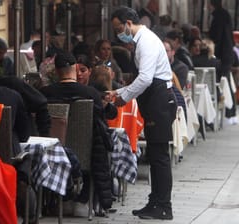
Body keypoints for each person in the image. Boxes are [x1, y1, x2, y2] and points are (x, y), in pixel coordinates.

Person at [109, 7, 177, 220]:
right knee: (156, 155)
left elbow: (146, 78)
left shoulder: (146, 41)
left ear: (128, 23)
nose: (118, 34)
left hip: (159, 99)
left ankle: (163, 206)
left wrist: (124, 96)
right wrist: (117, 92)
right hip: (155, 99)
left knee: (159, 156)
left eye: (119, 28)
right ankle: (155, 201)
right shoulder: (142, 40)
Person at [40, 51, 113, 216]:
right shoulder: (91, 94)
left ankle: (54, 199)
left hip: (54, 152)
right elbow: (102, 124)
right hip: (86, 152)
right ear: (74, 68)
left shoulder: (45, 93)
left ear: (56, 71)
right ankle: (84, 201)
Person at [209, 0, 237, 123]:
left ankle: (230, 113)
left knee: (224, 82)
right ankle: (230, 112)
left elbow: (217, 38)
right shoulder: (225, 15)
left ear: (211, 5)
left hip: (223, 55)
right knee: (226, 82)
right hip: (227, 54)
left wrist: (214, 54)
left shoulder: (218, 17)